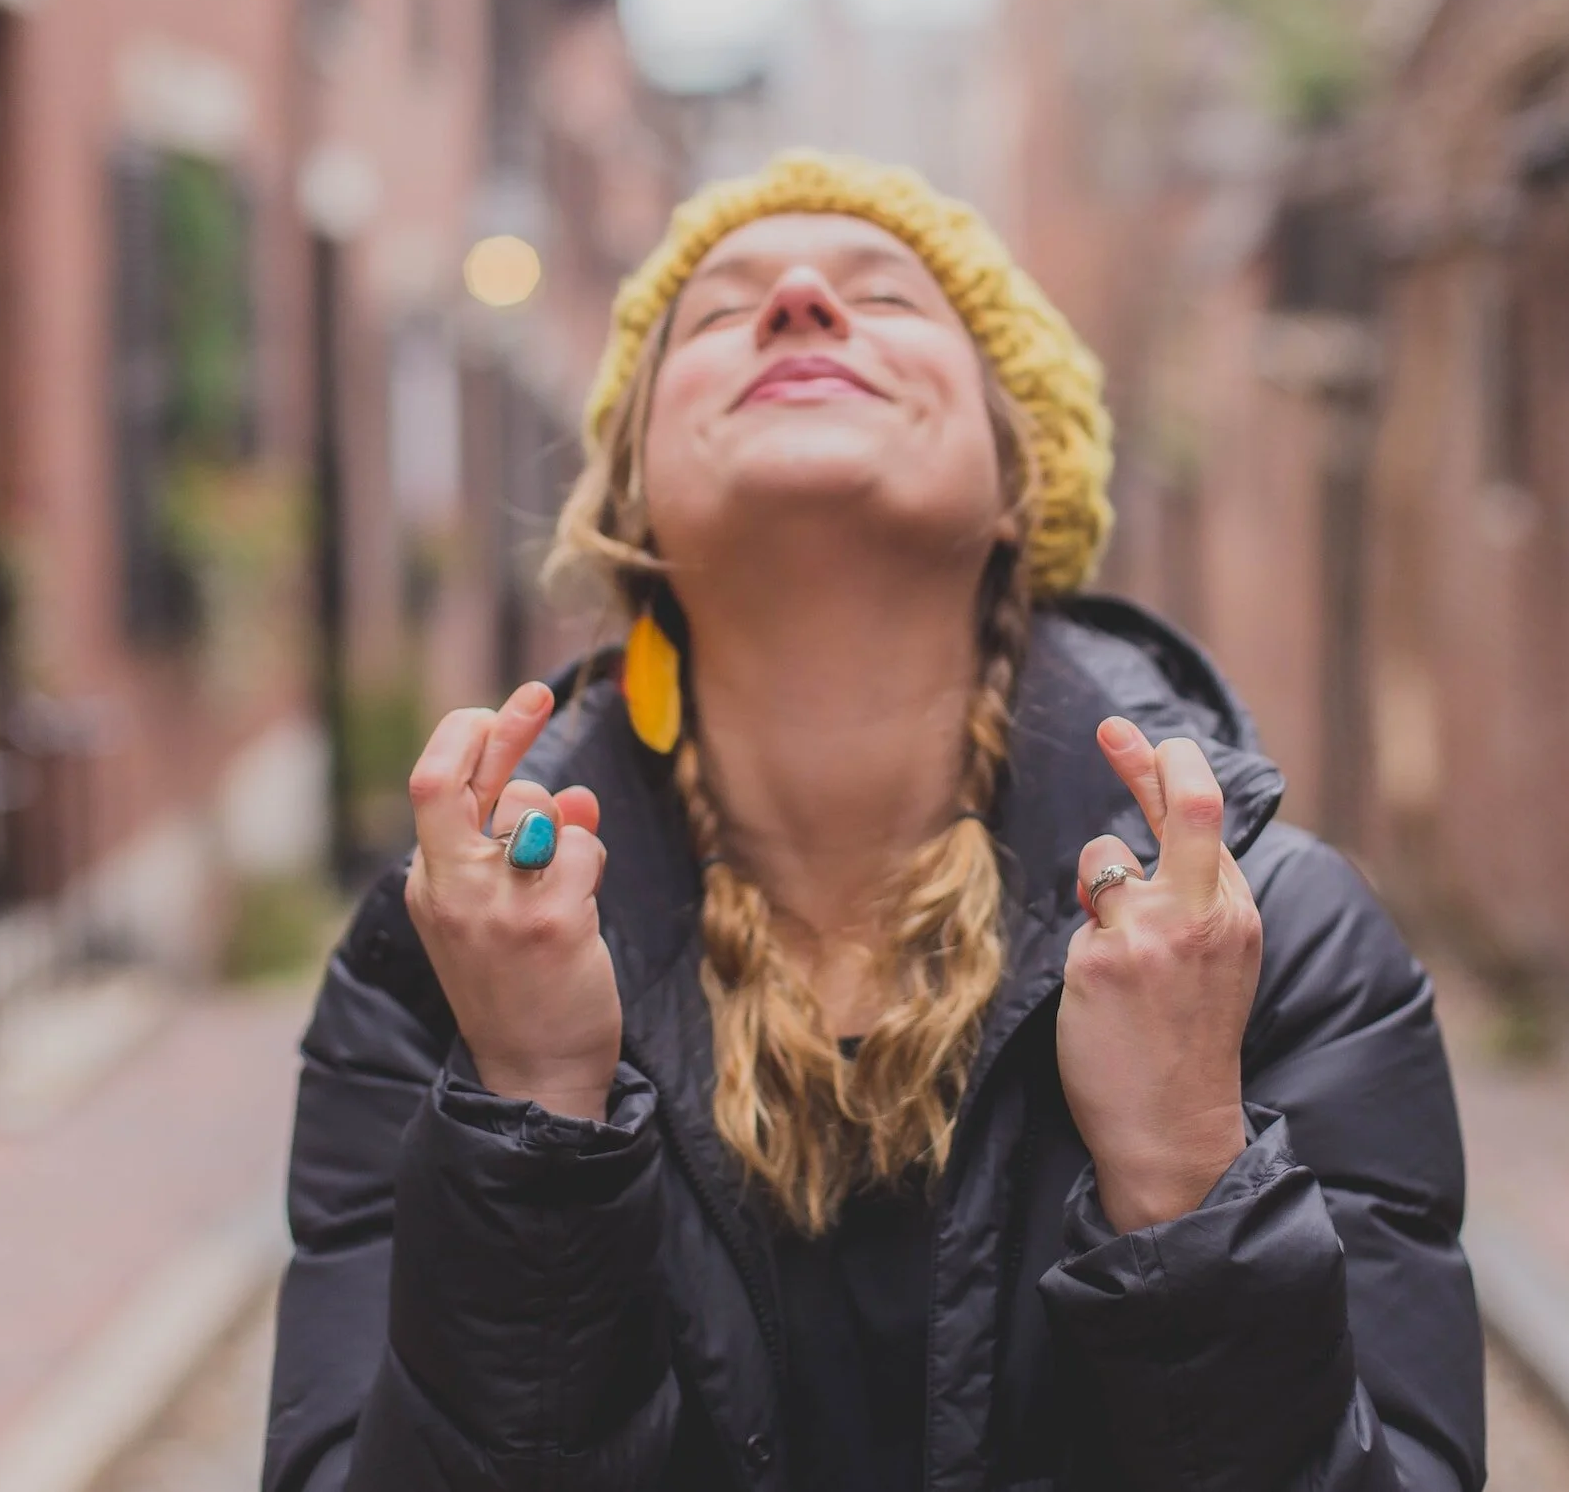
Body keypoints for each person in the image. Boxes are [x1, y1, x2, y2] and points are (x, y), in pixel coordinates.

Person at [263, 152, 1484, 1492]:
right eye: (719, 312)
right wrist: (532, 1113)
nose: (795, 296)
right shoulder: (436, 965)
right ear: (633, 506)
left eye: (887, 297)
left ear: (1024, 480)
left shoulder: (1273, 947)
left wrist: (1190, 1167)